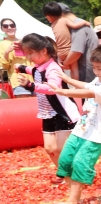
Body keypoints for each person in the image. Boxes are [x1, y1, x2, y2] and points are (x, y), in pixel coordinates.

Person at [48, 45, 101, 204]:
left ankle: (72, 202)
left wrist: (63, 92)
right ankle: (74, 197)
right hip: (82, 129)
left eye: (99, 68)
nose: (96, 72)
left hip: (97, 134)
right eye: (94, 68)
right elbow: (87, 85)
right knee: (66, 160)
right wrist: (67, 80)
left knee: (80, 162)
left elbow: (88, 93)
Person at [16, 34, 79, 180]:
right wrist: (21, 67)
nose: (28, 57)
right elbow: (34, 71)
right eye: (26, 54)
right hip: (47, 112)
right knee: (50, 149)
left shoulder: (53, 68)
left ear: (43, 51)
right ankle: (66, 174)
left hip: (61, 112)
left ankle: (74, 175)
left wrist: (30, 85)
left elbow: (53, 88)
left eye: (30, 53)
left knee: (62, 149)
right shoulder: (39, 67)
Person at [59, 4, 98, 83]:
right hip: (88, 71)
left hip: (87, 73)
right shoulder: (79, 24)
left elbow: (76, 52)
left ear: (61, 16)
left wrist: (64, 63)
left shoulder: (78, 27)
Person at [0, 18, 33, 98]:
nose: (9, 28)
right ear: (2, 29)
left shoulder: (24, 42)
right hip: (18, 80)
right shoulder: (2, 45)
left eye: (12, 25)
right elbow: (3, 67)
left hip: (33, 78)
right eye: (5, 26)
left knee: (38, 107)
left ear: (15, 27)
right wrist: (7, 52)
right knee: (25, 107)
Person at [41, 3, 72, 75]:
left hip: (60, 52)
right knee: (74, 68)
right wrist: (85, 23)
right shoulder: (64, 20)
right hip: (69, 50)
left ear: (49, 16)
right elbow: (75, 26)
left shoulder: (53, 25)